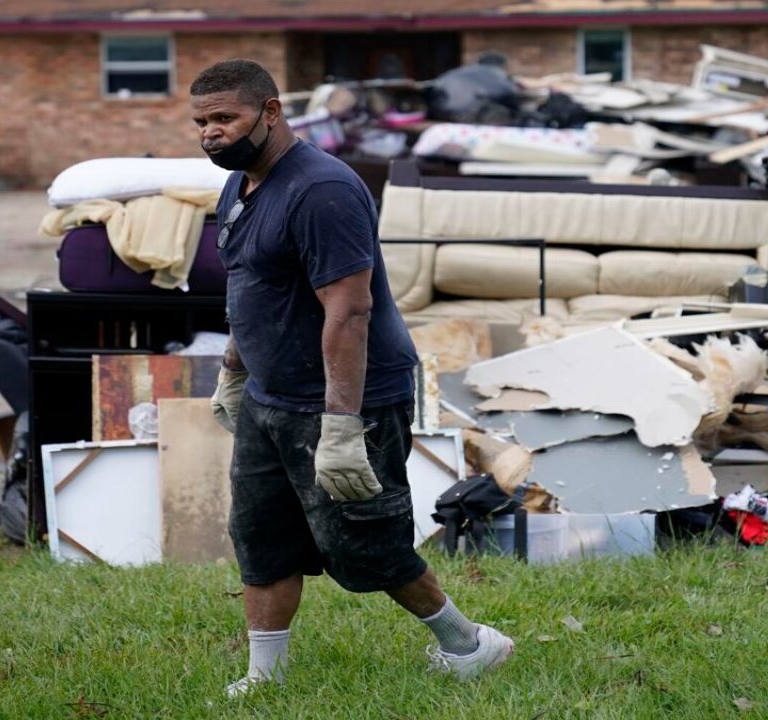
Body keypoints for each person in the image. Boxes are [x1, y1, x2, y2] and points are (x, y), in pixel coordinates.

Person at [190, 59, 513, 697]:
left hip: (344, 399)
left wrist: (341, 425)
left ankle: (470, 644)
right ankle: (265, 678)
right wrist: (233, 370)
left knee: (365, 545)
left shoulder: (322, 191)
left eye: (225, 117)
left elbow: (350, 311)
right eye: (201, 122)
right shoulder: (240, 185)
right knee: (260, 537)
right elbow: (253, 288)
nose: (210, 133)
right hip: (270, 397)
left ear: (271, 111)